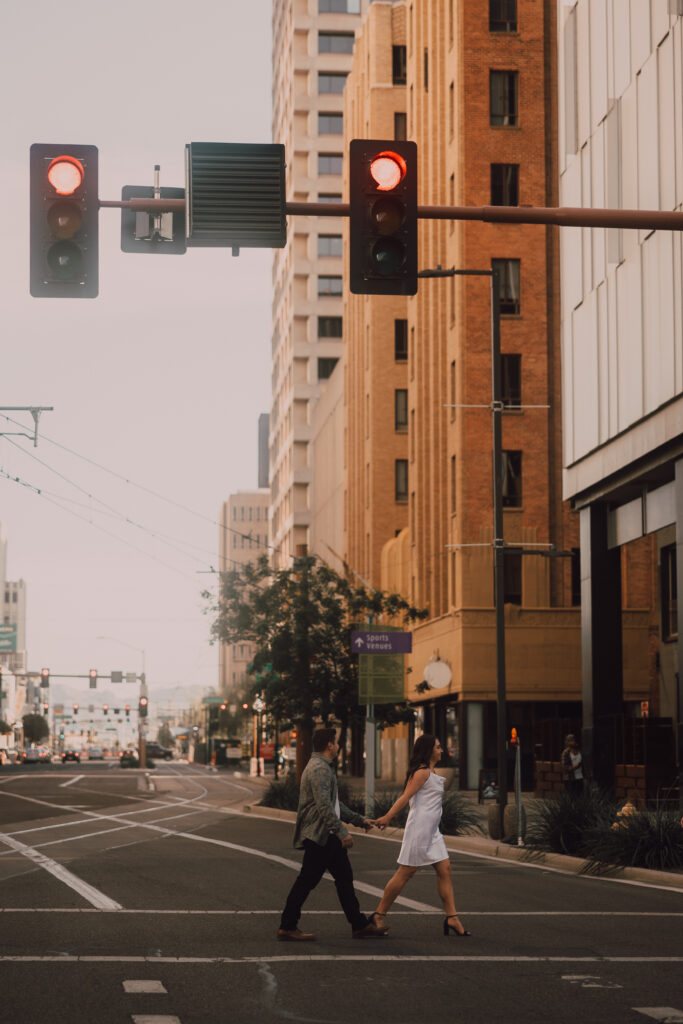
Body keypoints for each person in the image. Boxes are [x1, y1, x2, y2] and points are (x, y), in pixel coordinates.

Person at [277, 726, 388, 942]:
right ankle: (287, 926)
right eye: (336, 742)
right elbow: (324, 806)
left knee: (344, 879)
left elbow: (334, 804)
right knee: (307, 881)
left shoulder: (323, 766)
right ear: (329, 744)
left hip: (327, 835)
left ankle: (359, 924)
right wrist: (342, 832)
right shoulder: (319, 768)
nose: (338, 746)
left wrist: (359, 820)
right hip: (321, 835)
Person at [370, 734, 471, 937]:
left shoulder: (430, 771)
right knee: (405, 873)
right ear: (429, 751)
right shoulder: (422, 773)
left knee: (445, 868)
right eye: (438, 747)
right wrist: (388, 816)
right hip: (419, 830)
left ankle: (452, 917)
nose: (442, 750)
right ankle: (378, 916)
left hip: (433, 832)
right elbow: (405, 797)